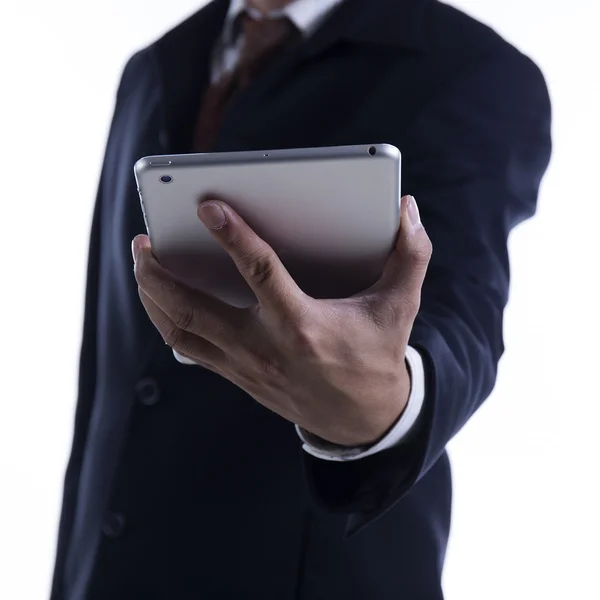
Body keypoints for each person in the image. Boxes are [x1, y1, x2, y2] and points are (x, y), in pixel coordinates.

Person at [50, 0, 552, 598]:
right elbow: (109, 370)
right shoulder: (154, 66)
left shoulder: (472, 66)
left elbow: (463, 309)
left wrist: (383, 405)